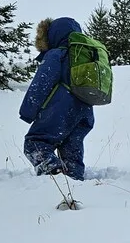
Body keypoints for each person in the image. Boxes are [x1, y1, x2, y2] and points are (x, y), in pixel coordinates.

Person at [19, 17, 95, 180]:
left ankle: (55, 175)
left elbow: (42, 83)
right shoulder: (85, 56)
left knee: (35, 143)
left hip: (61, 109)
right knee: (71, 150)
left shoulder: (57, 54)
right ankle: (75, 181)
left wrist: (27, 111)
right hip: (85, 110)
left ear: (53, 35)